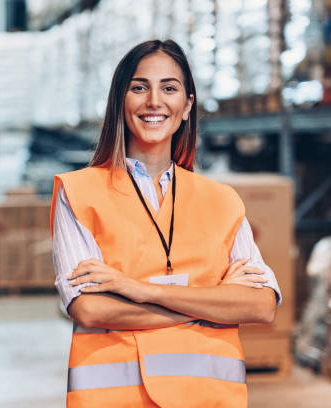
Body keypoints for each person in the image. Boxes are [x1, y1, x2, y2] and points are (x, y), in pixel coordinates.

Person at [49, 39, 281, 408]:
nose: (154, 101)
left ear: (187, 105)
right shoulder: (78, 193)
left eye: (169, 88)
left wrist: (138, 290)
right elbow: (90, 309)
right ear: (120, 102)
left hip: (211, 399)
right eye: (139, 87)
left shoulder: (222, 200)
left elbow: (261, 305)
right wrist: (212, 300)